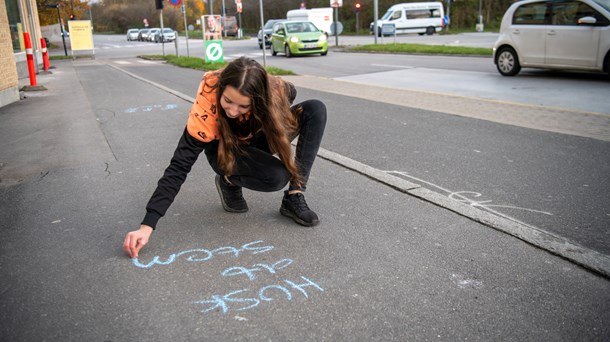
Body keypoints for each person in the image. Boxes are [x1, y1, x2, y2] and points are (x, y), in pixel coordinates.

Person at [123, 57, 327, 258]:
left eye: (243, 106)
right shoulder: (206, 108)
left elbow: (288, 98)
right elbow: (178, 167)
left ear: (257, 100)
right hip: (225, 152)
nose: (232, 111)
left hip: (252, 139)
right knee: (276, 177)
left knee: (315, 109)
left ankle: (295, 195)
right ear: (221, 89)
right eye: (227, 101)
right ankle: (228, 180)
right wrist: (147, 225)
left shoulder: (277, 90)